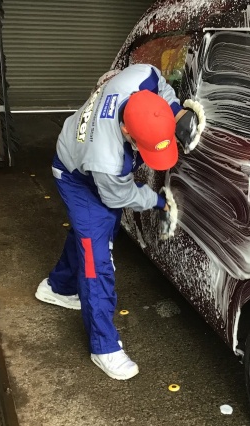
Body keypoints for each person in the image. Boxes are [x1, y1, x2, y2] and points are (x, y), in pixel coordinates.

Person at [35, 64, 204, 380]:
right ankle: (103, 347)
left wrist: (176, 112)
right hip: (75, 175)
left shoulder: (140, 77)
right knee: (97, 260)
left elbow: (159, 82)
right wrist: (158, 202)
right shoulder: (108, 159)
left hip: (85, 154)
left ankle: (58, 287)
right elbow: (120, 196)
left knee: (91, 232)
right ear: (127, 131)